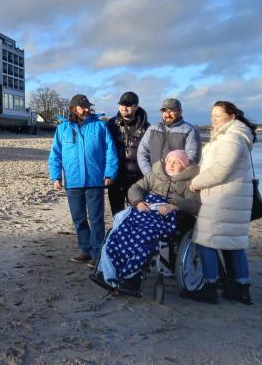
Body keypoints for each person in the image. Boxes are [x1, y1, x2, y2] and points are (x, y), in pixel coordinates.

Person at [90, 150, 201, 294]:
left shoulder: (189, 182)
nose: (171, 164)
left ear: (185, 166)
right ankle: (109, 270)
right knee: (122, 231)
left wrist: (175, 205)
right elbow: (135, 188)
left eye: (176, 162)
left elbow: (195, 204)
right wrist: (138, 201)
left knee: (145, 235)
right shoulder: (155, 175)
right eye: (169, 161)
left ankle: (131, 276)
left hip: (166, 215)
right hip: (145, 209)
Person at [182, 101, 258, 305]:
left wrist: (196, 183)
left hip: (223, 198)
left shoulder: (231, 138)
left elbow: (221, 170)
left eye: (218, 115)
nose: (213, 119)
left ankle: (210, 287)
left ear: (232, 116)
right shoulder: (233, 135)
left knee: (206, 242)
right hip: (230, 198)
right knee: (234, 244)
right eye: (212, 115)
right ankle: (242, 289)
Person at [48, 94, 119, 268]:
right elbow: (55, 154)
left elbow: (111, 151)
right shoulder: (62, 128)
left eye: (88, 106)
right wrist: (56, 176)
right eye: (82, 107)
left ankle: (97, 253)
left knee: (96, 220)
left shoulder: (100, 125)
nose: (87, 109)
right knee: (79, 219)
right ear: (73, 109)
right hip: (72, 181)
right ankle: (84, 250)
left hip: (95, 180)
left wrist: (109, 174)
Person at [106, 91, 149, 217]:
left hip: (137, 177)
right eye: (122, 104)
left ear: (136, 107)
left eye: (129, 105)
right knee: (117, 214)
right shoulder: (111, 124)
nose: (124, 108)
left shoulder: (146, 127)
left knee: (137, 215)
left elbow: (151, 152)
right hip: (116, 176)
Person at [137, 98, 201, 175]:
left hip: (176, 179)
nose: (167, 115)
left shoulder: (189, 131)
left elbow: (192, 158)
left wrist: (175, 177)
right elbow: (142, 153)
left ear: (180, 112)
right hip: (154, 178)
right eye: (164, 111)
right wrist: (149, 174)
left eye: (171, 111)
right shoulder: (152, 129)